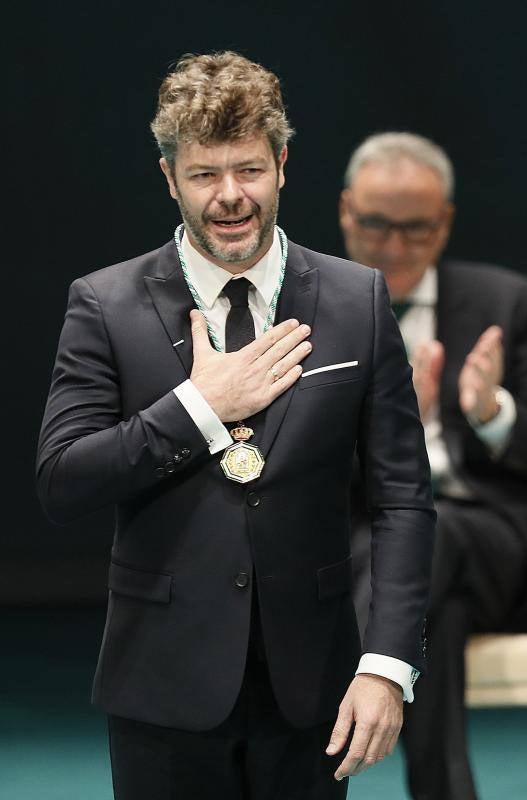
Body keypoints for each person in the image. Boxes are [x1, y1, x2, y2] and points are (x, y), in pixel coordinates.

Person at [36, 55, 435, 800]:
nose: (229, 198)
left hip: (315, 687)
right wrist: (198, 408)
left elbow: (403, 500)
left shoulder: (358, 299)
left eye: (248, 170)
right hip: (161, 686)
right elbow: (63, 480)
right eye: (203, 174)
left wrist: (386, 664)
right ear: (167, 178)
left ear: (282, 164)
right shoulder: (103, 303)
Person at [340, 132, 527, 800]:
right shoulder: (312, 305)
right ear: (345, 212)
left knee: (425, 540)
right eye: (376, 224)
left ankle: (339, 701)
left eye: (415, 228)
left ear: (444, 223)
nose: (393, 244)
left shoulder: (504, 302)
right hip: (376, 537)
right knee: (430, 611)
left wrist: (492, 410)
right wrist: (381, 437)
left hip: (493, 534)